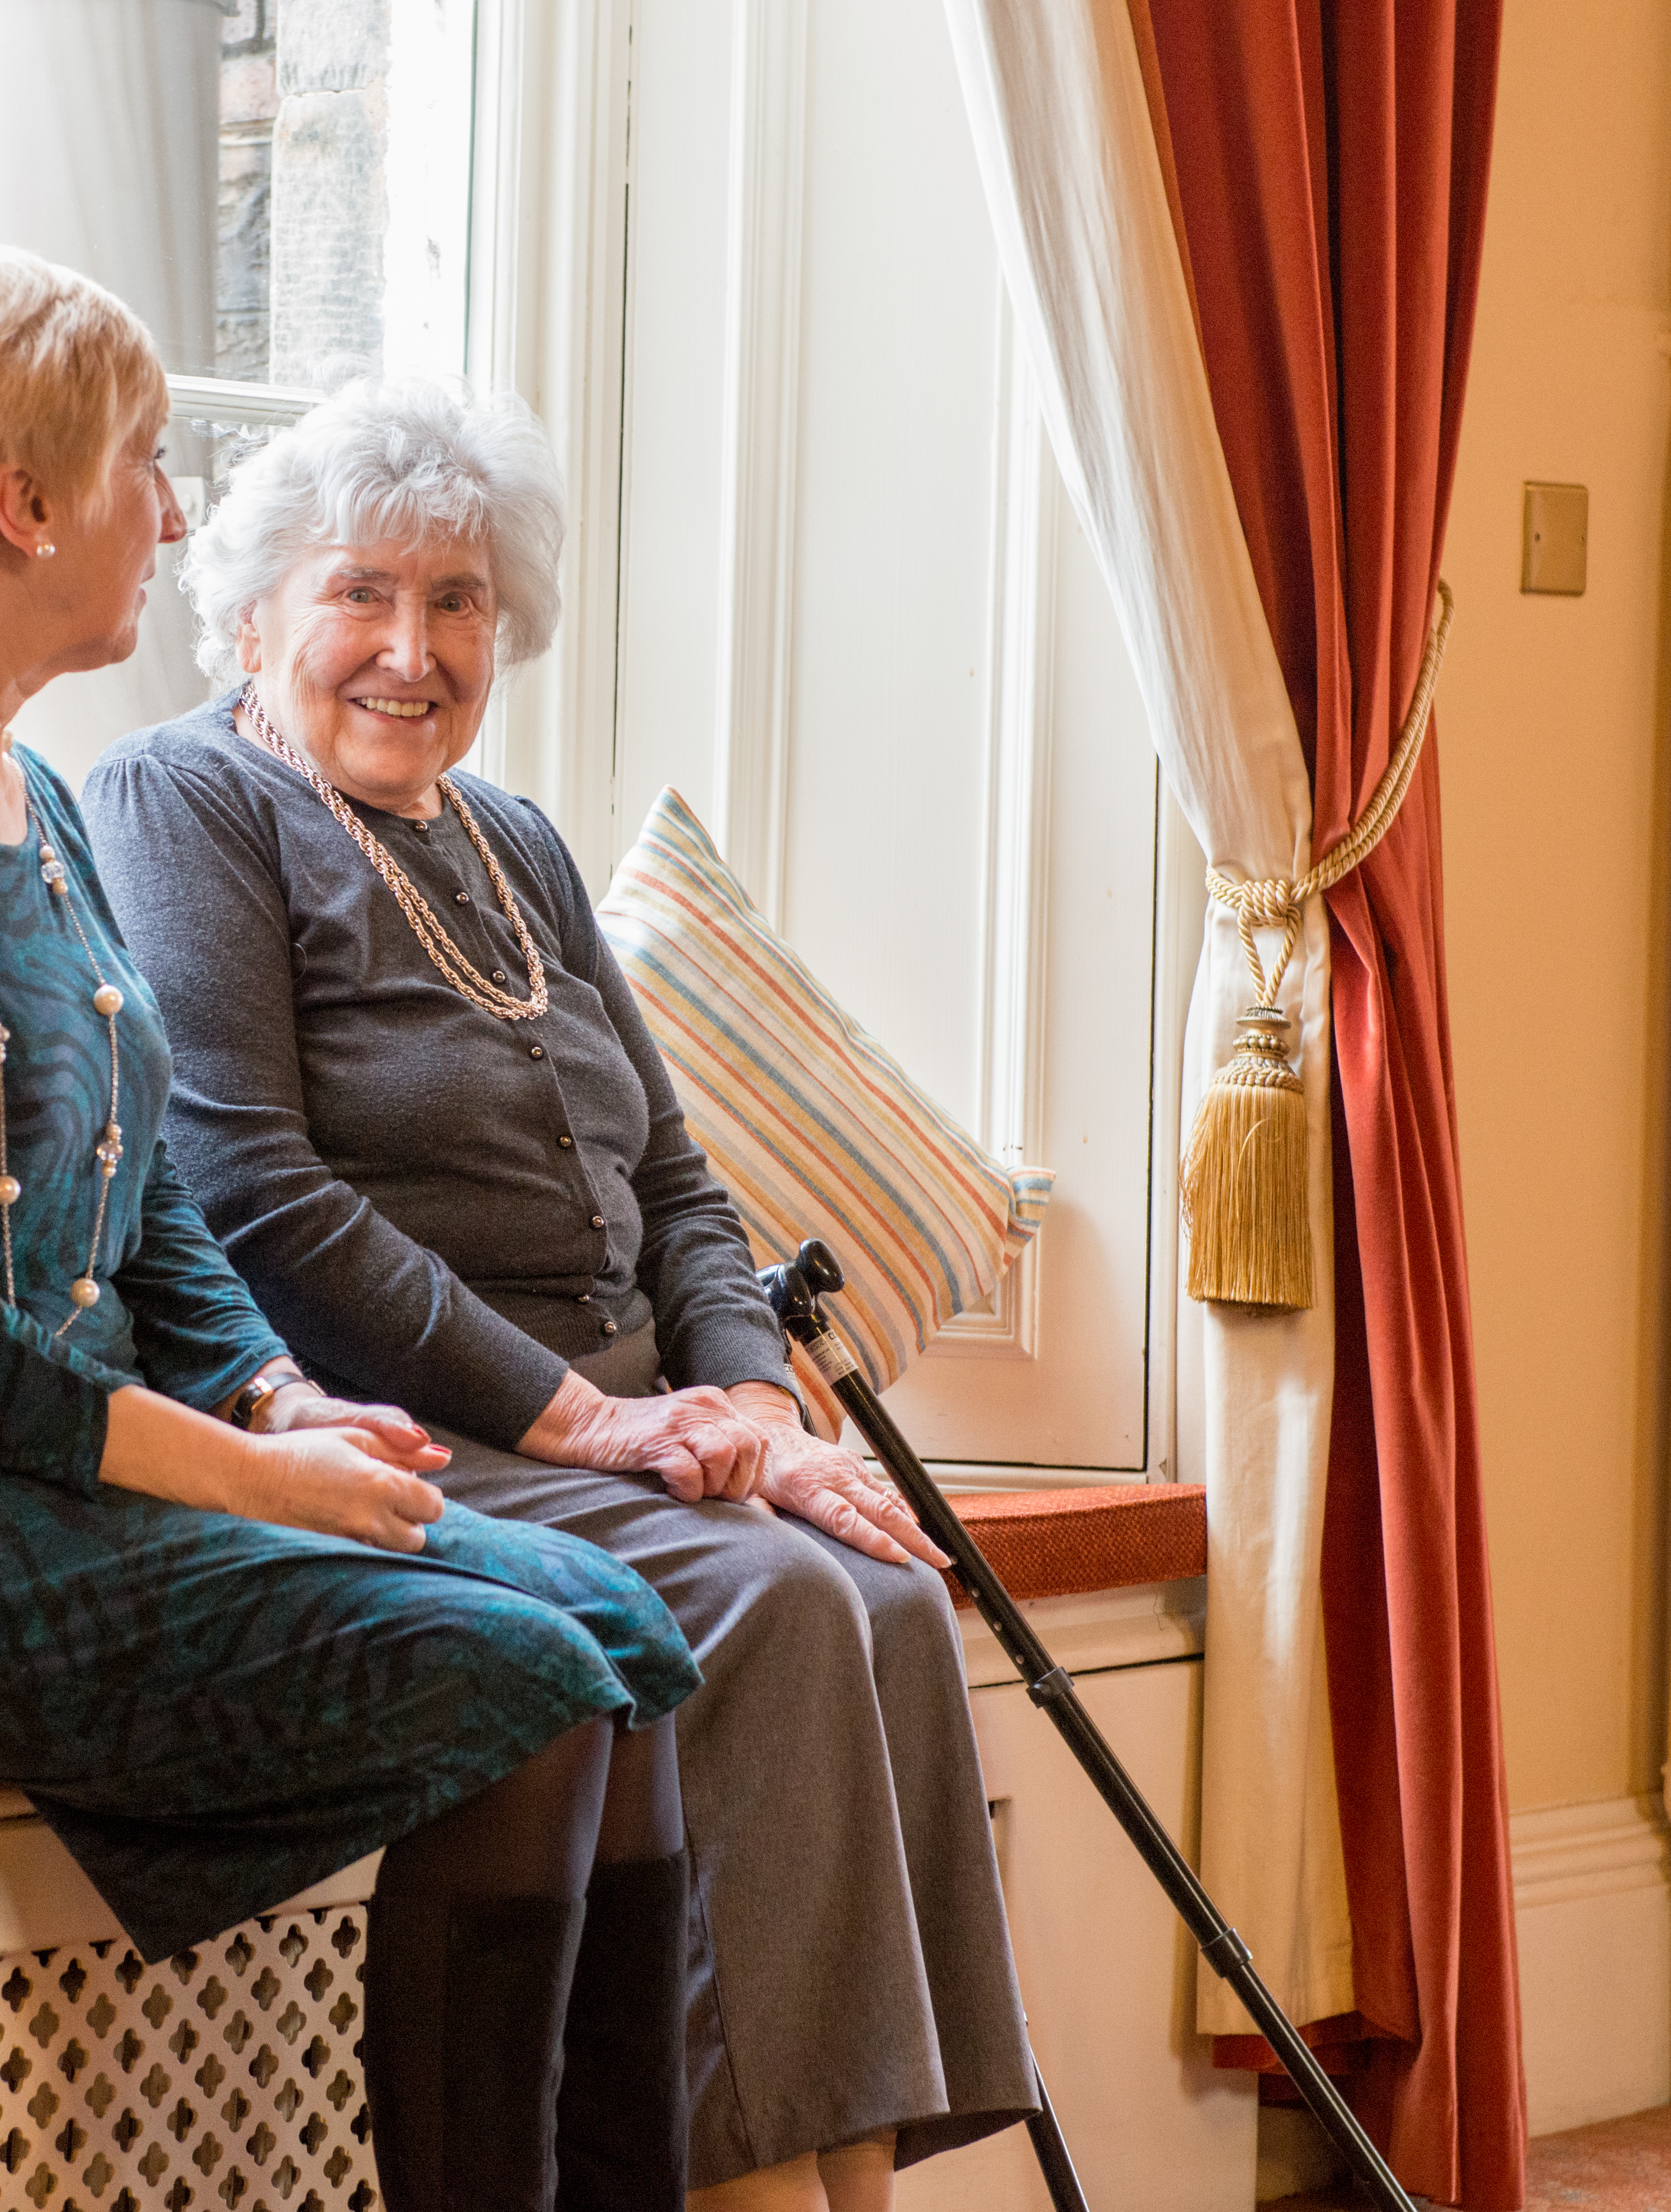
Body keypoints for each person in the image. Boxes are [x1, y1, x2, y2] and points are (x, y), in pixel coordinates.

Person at [0, 246, 701, 2209]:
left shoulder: (28, 786)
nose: (172, 514)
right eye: (142, 465)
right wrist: (252, 1490)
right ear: (26, 506)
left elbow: (153, 1197)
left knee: (612, 1620)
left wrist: (276, 1401)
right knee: (510, 1682)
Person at [80, 373, 1041, 2212]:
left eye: (456, 606)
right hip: (409, 1424)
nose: (410, 649)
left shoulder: (507, 842)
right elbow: (249, 1192)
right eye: (361, 594)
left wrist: (749, 1400)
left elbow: (677, 1177)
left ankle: (848, 2200)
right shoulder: (182, 797)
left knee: (885, 1594)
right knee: (764, 1603)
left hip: (633, 1420)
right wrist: (597, 1420)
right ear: (260, 606)